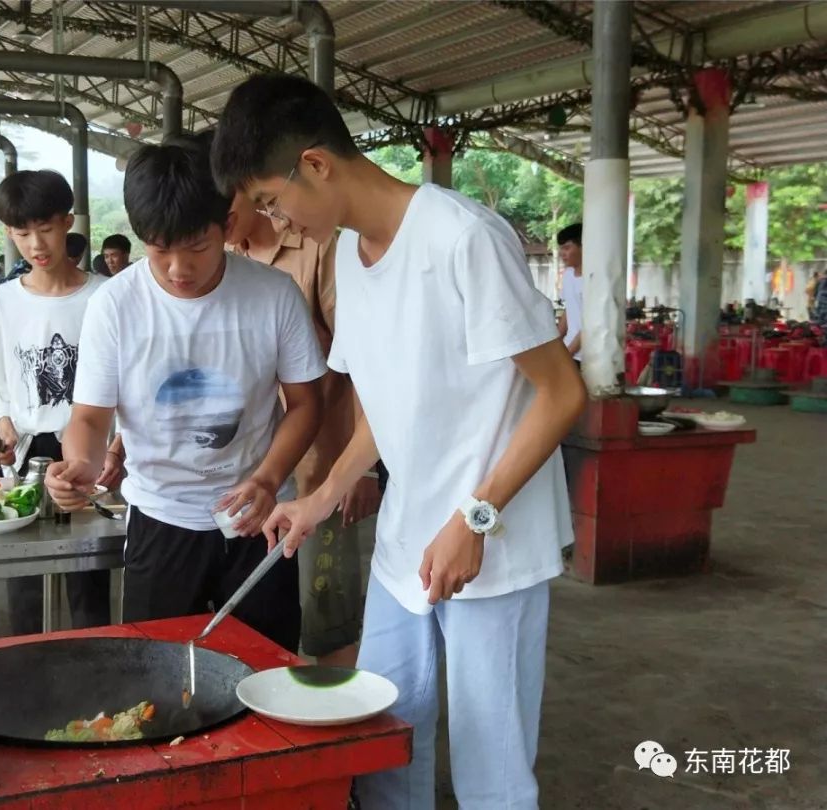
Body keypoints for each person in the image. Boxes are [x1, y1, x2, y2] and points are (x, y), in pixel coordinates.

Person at [212, 74, 586, 810]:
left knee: (491, 758)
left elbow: (561, 393)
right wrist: (319, 497)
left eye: (270, 201)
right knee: (382, 734)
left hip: (492, 547)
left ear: (315, 164)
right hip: (404, 544)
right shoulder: (351, 254)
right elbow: (388, 403)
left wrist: (474, 520)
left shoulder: (463, 238)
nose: (275, 222)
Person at [45, 136, 325, 653]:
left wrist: (268, 479)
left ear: (228, 223)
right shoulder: (115, 305)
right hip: (161, 517)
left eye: (197, 246)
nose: (178, 268)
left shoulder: (271, 294)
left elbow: (307, 403)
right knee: (155, 669)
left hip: (258, 519)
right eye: (158, 249)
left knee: (267, 665)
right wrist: (79, 463)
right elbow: (89, 415)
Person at [224, 189, 379, 668]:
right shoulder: (219, 253)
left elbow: (361, 357)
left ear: (251, 189)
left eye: (224, 202)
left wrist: (361, 469)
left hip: (321, 468)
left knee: (327, 609)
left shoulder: (320, 246)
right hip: (249, 477)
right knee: (256, 619)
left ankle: (335, 728)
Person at [0, 169, 113, 635]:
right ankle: (27, 658)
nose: (36, 243)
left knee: (87, 571)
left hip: (86, 453)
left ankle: (93, 660)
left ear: (67, 222)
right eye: (22, 233)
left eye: (47, 228)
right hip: (29, 452)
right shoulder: (2, 303)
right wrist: (3, 419)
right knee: (25, 573)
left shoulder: (104, 297)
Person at [556, 223, 583, 368]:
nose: (562, 253)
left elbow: (589, 327)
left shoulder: (593, 281)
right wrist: (555, 343)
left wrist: (568, 354)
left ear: (583, 247)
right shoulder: (568, 275)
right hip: (569, 350)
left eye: (567, 248)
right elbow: (569, 311)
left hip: (584, 355)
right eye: (561, 248)